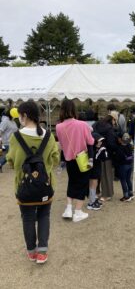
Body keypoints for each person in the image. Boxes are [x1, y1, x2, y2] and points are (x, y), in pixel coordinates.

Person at [6, 101, 59, 264]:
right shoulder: (49, 136)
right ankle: (42, 251)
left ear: (24, 116)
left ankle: (31, 251)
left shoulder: (16, 138)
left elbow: (11, 161)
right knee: (44, 215)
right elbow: (56, 159)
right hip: (45, 185)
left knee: (27, 217)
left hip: (24, 186)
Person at [56, 99, 94, 222]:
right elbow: (91, 142)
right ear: (74, 110)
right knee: (82, 184)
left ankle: (68, 209)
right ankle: (77, 212)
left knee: (72, 182)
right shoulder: (82, 125)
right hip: (82, 159)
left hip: (69, 160)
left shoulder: (58, 127)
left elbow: (61, 145)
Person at [93, 114, 119, 201]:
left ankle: (96, 192)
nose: (115, 123)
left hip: (96, 152)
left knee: (97, 174)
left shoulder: (96, 124)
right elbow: (111, 143)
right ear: (113, 119)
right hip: (107, 154)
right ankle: (107, 194)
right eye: (115, 121)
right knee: (106, 174)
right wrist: (116, 148)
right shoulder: (109, 129)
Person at [87, 132, 108, 210]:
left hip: (96, 169)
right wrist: (101, 150)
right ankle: (91, 202)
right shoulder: (92, 150)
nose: (100, 142)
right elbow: (100, 157)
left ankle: (93, 199)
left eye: (101, 141)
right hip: (93, 170)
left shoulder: (96, 148)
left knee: (94, 184)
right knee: (93, 184)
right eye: (98, 141)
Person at [116, 133, 134, 202]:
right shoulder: (130, 146)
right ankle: (131, 194)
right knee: (128, 180)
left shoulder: (120, 148)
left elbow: (118, 158)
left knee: (123, 180)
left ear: (121, 139)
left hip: (123, 166)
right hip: (130, 165)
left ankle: (126, 196)